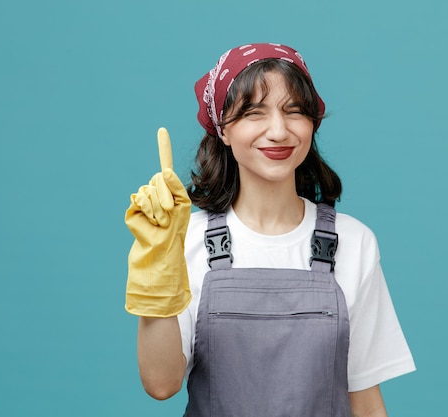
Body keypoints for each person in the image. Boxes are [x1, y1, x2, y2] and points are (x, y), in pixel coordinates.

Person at [124, 43, 415, 417]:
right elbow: (161, 385)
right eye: (254, 113)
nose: (278, 131)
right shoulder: (184, 243)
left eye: (294, 111)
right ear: (223, 130)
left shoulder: (353, 243)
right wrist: (157, 270)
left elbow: (366, 402)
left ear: (312, 124)